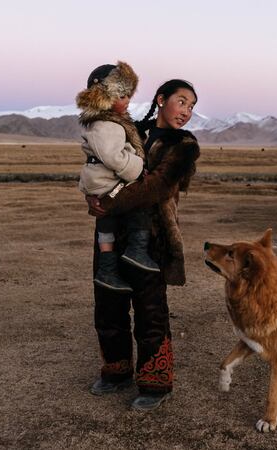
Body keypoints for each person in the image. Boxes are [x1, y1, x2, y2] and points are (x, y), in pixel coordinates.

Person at [85, 79, 200, 411]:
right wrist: (92, 196)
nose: (187, 111)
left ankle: (155, 383)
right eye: (182, 101)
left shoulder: (184, 145)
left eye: (192, 106)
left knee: (150, 311)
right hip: (111, 234)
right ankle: (116, 371)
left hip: (152, 236)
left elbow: (158, 186)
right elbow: (99, 163)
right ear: (161, 100)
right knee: (109, 304)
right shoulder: (129, 130)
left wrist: (108, 202)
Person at [76, 61, 161, 293]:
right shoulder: (108, 124)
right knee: (140, 201)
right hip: (107, 182)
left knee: (107, 224)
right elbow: (113, 157)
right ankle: (137, 249)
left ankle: (107, 269)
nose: (127, 101)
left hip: (99, 182)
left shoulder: (102, 122)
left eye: (128, 96)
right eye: (122, 96)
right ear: (103, 98)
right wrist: (137, 167)